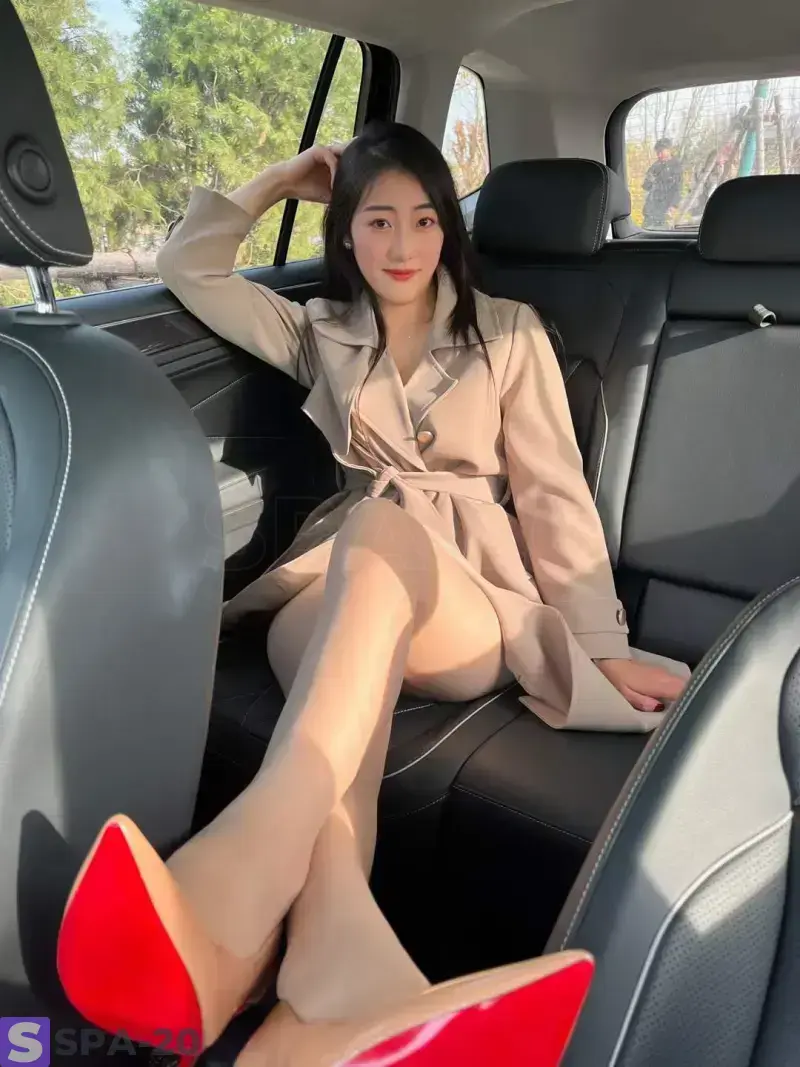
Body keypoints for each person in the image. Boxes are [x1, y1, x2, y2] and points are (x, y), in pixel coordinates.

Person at [55, 122, 689, 1065]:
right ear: (346, 230)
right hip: (339, 588)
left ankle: (231, 889)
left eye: (425, 219)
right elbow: (191, 267)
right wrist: (279, 180)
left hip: (467, 599)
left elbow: (555, 497)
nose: (403, 244)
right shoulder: (320, 328)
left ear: (448, 231)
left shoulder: (508, 330)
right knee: (341, 689)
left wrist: (599, 642)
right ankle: (329, 994)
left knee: (380, 528)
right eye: (378, 219)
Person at [642, 137, 683, 228]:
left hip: (664, 213)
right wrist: (649, 180)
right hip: (650, 212)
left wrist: (673, 207)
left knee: (663, 233)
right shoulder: (655, 166)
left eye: (661, 152)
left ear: (669, 150)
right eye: (657, 153)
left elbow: (678, 189)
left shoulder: (676, 166)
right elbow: (646, 187)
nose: (659, 155)